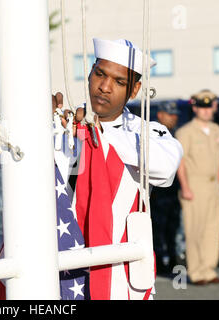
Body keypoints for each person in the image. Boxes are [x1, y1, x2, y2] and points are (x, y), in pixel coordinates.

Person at [52, 38, 183, 300]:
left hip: (120, 272)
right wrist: (42, 125)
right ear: (89, 73)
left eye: (119, 82)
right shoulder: (66, 124)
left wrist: (95, 131)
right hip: (63, 262)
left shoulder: (147, 131)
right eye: (99, 74)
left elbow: (166, 168)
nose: (104, 87)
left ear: (134, 90)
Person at [175, 89, 219, 285]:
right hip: (194, 184)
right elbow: (181, 162)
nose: (206, 112)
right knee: (194, 229)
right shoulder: (185, 132)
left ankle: (208, 270)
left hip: (213, 185)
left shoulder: (215, 130)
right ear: (195, 108)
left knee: (212, 229)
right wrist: (186, 187)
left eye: (209, 107)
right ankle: (196, 273)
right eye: (202, 107)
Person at [150, 101, 182, 274]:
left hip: (173, 190)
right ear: (160, 115)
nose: (174, 117)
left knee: (173, 227)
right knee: (157, 229)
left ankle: (172, 258)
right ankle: (159, 261)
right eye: (170, 114)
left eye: (176, 114)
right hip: (158, 191)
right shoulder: (153, 134)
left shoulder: (175, 135)